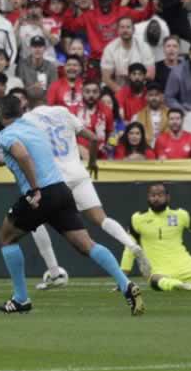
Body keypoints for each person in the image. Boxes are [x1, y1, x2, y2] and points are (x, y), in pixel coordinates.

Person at [0, 95, 144, 315]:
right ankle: (126, 284)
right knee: (87, 244)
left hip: (40, 195)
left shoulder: (5, 134)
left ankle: (21, 299)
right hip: (61, 191)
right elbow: (29, 153)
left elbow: (23, 155)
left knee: (6, 238)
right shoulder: (34, 128)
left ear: (1, 113)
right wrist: (2, 160)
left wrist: (34, 189)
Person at [21, 92, 151, 291]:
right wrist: (92, 162)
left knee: (34, 222)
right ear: (47, 99)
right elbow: (94, 138)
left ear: (28, 103)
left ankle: (54, 272)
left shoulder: (27, 119)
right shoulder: (62, 111)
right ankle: (132, 245)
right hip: (78, 172)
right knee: (101, 218)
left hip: (55, 179)